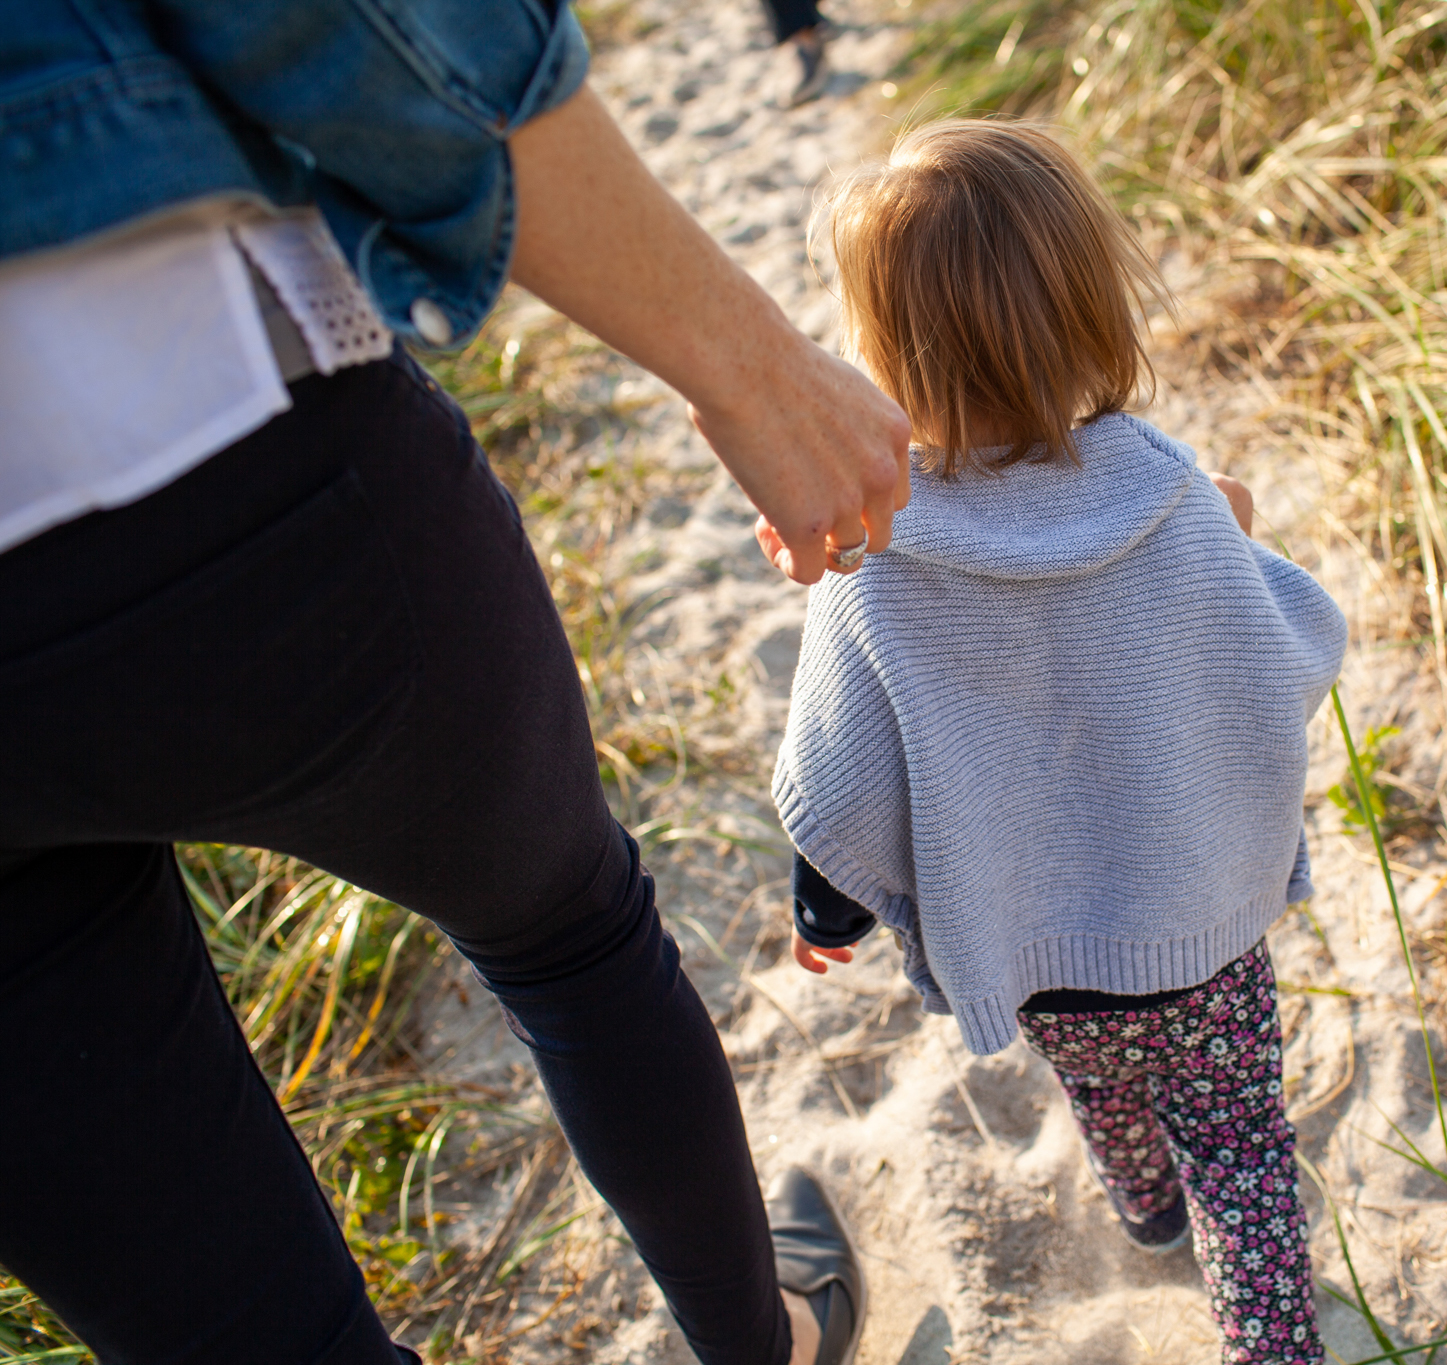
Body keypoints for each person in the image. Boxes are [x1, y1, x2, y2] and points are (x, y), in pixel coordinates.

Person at [0, 4, 906, 1365]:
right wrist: (751, 371)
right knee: (571, 937)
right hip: (213, 433)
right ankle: (753, 1336)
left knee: (245, 1333)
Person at [771, 119, 1349, 1364]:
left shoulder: (871, 565)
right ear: (1088, 305)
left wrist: (827, 912)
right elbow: (1288, 647)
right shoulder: (1168, 486)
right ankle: (1270, 1341)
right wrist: (1235, 543)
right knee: (1241, 1146)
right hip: (1199, 930)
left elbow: (840, 773)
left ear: (880, 355)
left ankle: (1143, 1214)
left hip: (1040, 950)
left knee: (1102, 1091)